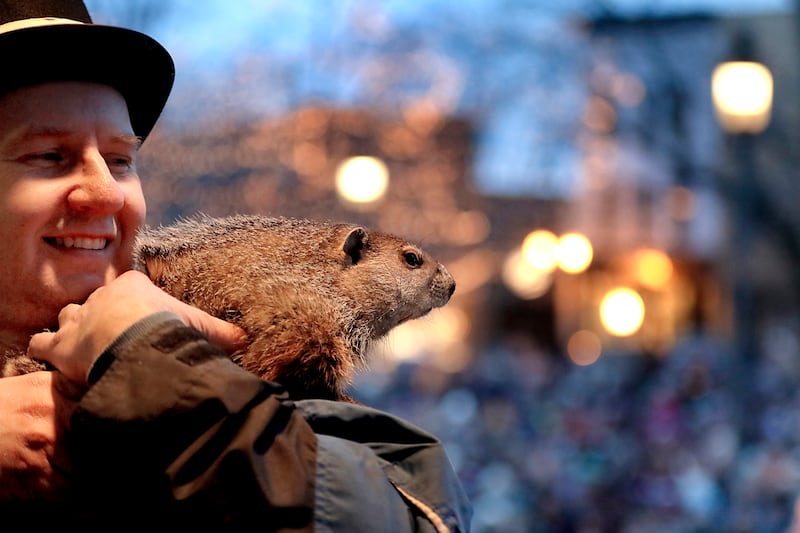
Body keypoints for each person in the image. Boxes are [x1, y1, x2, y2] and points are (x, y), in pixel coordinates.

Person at [0, 1, 472, 530]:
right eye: (48, 156)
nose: (108, 193)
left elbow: (414, 517)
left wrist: (151, 362)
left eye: (120, 160)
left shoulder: (214, 352)